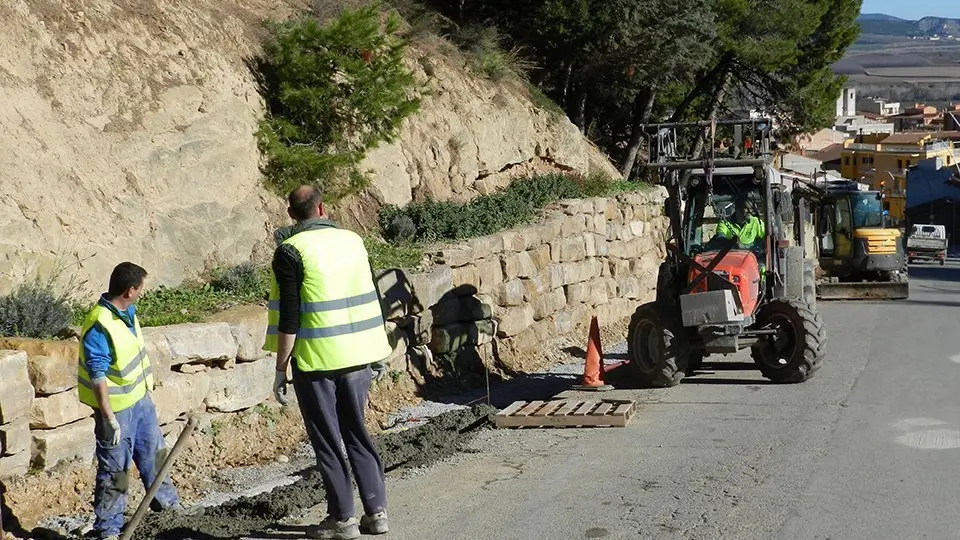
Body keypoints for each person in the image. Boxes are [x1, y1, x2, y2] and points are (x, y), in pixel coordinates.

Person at [266, 185, 393, 540]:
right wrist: (377, 349)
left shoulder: (289, 251)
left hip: (316, 361)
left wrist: (280, 369)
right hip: (358, 356)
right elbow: (371, 295)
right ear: (323, 207)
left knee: (328, 440)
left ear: (292, 215)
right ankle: (377, 513)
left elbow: (290, 318)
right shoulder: (354, 241)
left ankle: (343, 520)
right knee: (357, 432)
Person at [77, 262, 181, 540]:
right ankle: (109, 528)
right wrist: (108, 418)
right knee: (116, 471)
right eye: (140, 289)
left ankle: (169, 508)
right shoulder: (100, 324)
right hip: (118, 411)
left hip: (140, 402)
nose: (142, 294)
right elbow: (97, 373)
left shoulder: (127, 312)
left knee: (155, 454)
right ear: (129, 290)